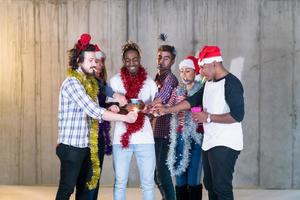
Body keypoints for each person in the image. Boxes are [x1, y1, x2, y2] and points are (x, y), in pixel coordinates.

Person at [155, 46, 244, 200]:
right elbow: (192, 100)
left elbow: (237, 115)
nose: (201, 72)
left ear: (215, 64)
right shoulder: (209, 83)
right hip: (209, 142)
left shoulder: (232, 84)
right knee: (210, 184)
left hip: (226, 143)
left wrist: (208, 117)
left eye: (203, 67)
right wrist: (168, 109)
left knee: (222, 186)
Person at [55, 33, 137, 200]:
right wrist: (125, 118)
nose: (95, 64)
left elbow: (100, 98)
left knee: (85, 191)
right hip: (72, 147)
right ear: (79, 60)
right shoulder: (72, 83)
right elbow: (94, 110)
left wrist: (114, 102)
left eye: (96, 60)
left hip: (86, 146)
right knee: (66, 190)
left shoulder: (90, 82)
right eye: (91, 60)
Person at [109, 40, 158, 200]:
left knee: (148, 183)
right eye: (128, 60)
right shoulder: (115, 81)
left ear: (139, 59)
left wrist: (148, 110)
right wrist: (126, 107)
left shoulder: (150, 83)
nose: (131, 63)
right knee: (120, 182)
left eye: (135, 59)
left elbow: (154, 111)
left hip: (145, 138)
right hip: (121, 138)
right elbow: (110, 107)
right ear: (123, 61)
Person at [87, 45, 127, 200]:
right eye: (97, 61)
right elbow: (92, 108)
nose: (100, 65)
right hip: (89, 134)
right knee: (89, 176)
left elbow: (102, 106)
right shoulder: (87, 81)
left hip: (100, 134)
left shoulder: (101, 82)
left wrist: (113, 106)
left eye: (102, 62)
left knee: (96, 176)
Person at [166, 56, 204, 200]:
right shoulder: (177, 91)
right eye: (181, 71)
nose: (184, 74)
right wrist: (160, 109)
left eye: (188, 71)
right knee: (179, 175)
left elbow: (202, 110)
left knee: (193, 176)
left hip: (196, 137)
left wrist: (190, 107)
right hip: (179, 138)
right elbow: (169, 106)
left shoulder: (201, 89)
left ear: (195, 72)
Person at [152, 43, 178, 200]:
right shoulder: (156, 78)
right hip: (155, 131)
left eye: (166, 58)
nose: (162, 61)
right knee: (157, 174)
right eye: (160, 57)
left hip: (165, 132)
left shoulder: (170, 79)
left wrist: (148, 103)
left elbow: (160, 98)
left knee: (162, 172)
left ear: (172, 61)